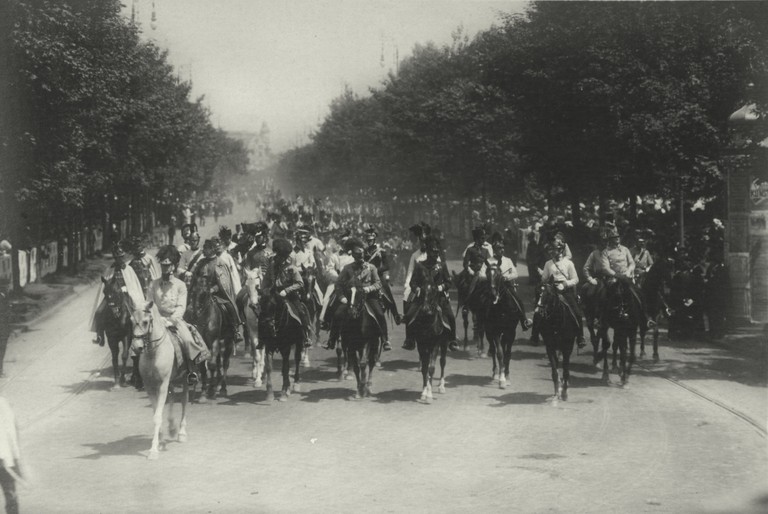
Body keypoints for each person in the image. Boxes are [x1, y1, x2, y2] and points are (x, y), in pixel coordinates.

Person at [140, 245, 210, 385]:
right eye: (163, 265)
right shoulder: (153, 284)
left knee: (188, 340)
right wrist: (156, 318)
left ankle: (191, 370)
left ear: (173, 266)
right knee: (138, 340)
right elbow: (149, 303)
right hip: (156, 320)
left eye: (168, 265)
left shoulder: (180, 285)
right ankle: (139, 372)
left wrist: (171, 320)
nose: (165, 268)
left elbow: (181, 306)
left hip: (175, 321)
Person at [405, 236, 460, 352]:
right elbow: (412, 282)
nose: (435, 254)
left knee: (450, 316)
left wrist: (441, 287)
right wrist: (417, 289)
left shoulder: (442, 265)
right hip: (422, 297)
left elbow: (449, 282)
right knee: (409, 315)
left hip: (439, 297)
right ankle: (409, 339)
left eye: (437, 252)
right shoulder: (420, 265)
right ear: (428, 252)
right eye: (433, 251)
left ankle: (452, 340)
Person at [89, 242, 145, 347]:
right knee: (99, 311)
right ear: (115, 257)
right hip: (112, 296)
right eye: (118, 257)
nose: (120, 259)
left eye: (122, 257)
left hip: (126, 294)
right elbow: (105, 285)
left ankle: (138, 333)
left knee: (136, 310)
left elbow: (133, 285)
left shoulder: (128, 269)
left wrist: (126, 290)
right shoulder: (109, 270)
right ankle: (99, 335)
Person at [259, 238, 312, 348]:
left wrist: (287, 290)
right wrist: (265, 290)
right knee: (263, 312)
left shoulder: (291, 268)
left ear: (285, 257)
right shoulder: (272, 267)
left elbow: (300, 283)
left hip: (290, 295)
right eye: (277, 255)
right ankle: (262, 339)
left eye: (280, 256)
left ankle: (306, 336)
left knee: (301, 311)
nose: (277, 258)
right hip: (274, 294)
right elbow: (265, 282)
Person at [599, 227, 655, 330]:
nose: (617, 239)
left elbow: (631, 263)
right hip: (613, 278)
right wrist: (616, 275)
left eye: (618, 237)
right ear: (610, 239)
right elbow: (605, 268)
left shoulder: (625, 249)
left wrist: (629, 271)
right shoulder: (605, 252)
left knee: (639, 293)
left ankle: (646, 317)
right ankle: (601, 319)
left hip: (626, 276)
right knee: (605, 295)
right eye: (614, 237)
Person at [478, 233, 532, 330]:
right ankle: (481, 323)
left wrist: (507, 277)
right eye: (499, 248)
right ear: (494, 250)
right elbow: (481, 275)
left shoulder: (508, 260)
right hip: (492, 286)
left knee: (518, 300)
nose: (502, 250)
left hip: (506, 286)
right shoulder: (488, 261)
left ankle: (524, 321)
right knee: (481, 302)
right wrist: (491, 277)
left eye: (503, 248)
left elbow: (515, 274)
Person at [540, 241, 586, 348]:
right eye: (551, 249)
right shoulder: (548, 263)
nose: (552, 252)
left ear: (560, 250)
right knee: (539, 310)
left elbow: (575, 279)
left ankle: (580, 337)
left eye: (554, 249)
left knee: (577, 313)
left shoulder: (569, 263)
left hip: (565, 291)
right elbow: (544, 279)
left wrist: (565, 284)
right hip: (551, 290)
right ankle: (535, 333)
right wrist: (543, 276)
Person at [364, 226, 401, 351]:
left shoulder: (381, 251)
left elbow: (387, 266)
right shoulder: (363, 251)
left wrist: (375, 270)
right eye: (367, 239)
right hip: (365, 279)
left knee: (388, 294)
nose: (369, 241)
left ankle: (395, 315)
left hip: (378, 278)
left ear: (374, 239)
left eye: (370, 239)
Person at [401, 223, 429, 350]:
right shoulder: (415, 255)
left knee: (444, 305)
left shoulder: (434, 254)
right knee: (407, 300)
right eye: (421, 241)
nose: (423, 244)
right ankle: (410, 338)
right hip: (417, 287)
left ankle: (450, 334)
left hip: (431, 287)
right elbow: (410, 272)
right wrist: (408, 286)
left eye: (425, 241)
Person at [0, 396, 25, 514]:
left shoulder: (2, 403)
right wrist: (16, 457)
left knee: (10, 495)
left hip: (4, 458)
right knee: (10, 495)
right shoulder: (3, 402)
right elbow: (12, 432)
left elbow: (10, 432)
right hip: (6, 458)